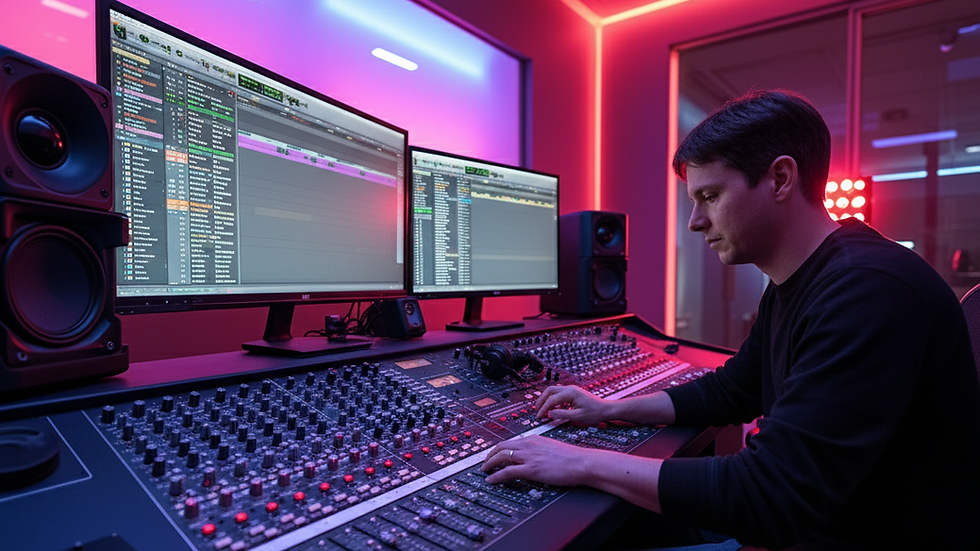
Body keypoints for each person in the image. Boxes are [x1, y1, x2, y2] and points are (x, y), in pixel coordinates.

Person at [481, 89, 980, 550]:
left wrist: (580, 461)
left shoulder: (867, 290)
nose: (695, 222)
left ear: (780, 179)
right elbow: (731, 390)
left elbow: (772, 495)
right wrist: (607, 407)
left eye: (710, 196)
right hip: (818, 523)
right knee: (620, 523)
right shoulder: (798, 282)